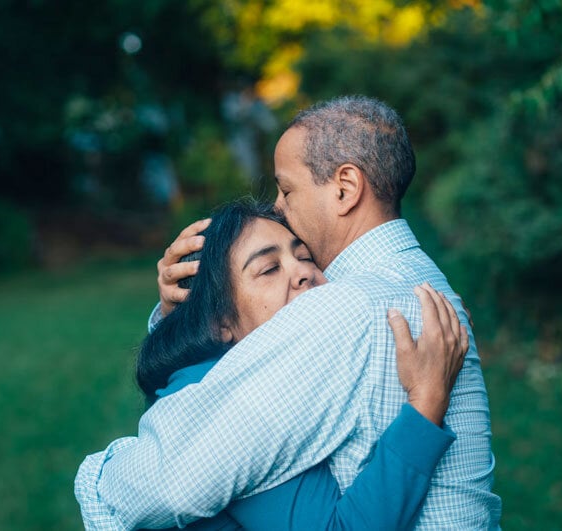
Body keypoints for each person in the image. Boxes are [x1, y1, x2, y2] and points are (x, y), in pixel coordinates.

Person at [78, 96, 502, 529]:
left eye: (287, 189)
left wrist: (99, 477)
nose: (279, 207)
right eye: (269, 266)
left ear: (345, 188)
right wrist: (183, 310)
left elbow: (168, 483)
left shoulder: (344, 308)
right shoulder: (419, 285)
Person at [125, 199, 466, 530]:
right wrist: (426, 401)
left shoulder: (257, 372)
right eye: (269, 269)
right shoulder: (237, 407)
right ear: (219, 322)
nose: (304, 271)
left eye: (304, 256)